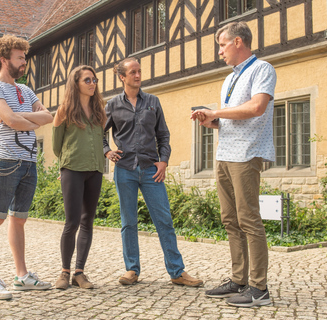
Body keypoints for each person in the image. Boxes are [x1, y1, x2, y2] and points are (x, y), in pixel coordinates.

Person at [191, 21, 276, 307]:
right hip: (224, 154)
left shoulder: (262, 69)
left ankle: (259, 288)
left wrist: (216, 111)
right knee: (230, 220)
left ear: (238, 42)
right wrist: (212, 120)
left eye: (222, 45)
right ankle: (239, 279)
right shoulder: (229, 78)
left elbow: (257, 107)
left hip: (246, 155)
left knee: (249, 219)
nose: (219, 52)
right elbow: (231, 119)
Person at [104, 57, 203, 288]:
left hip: (151, 170)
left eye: (139, 71)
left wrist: (164, 161)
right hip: (125, 170)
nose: (138, 76)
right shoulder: (112, 105)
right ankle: (132, 269)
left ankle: (177, 271)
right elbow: (99, 133)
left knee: (164, 220)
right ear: (122, 77)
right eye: (133, 72)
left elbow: (163, 136)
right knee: (128, 221)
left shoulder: (153, 102)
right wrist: (107, 151)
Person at [0, 34, 53, 299]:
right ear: (4, 59)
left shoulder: (26, 90)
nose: (24, 62)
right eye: (20, 57)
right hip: (5, 162)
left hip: (29, 162)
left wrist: (19, 118)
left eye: (24, 57)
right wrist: (23, 119)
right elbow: (10, 120)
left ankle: (21, 276)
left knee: (19, 220)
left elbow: (48, 117)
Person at [52, 65, 106, 290]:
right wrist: (65, 166)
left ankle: (79, 273)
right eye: (87, 80)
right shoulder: (64, 110)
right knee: (71, 222)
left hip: (95, 170)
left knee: (87, 222)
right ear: (76, 84)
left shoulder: (100, 110)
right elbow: (56, 146)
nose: (92, 83)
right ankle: (64, 272)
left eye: (94, 80)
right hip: (72, 169)